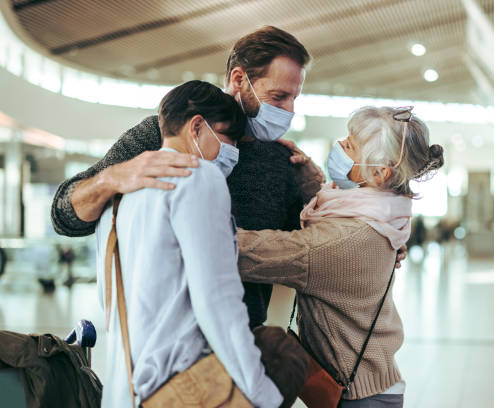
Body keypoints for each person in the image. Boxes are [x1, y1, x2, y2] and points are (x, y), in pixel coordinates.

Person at [51, 26, 323, 329]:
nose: (289, 110)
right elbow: (64, 216)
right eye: (279, 96)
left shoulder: (281, 162)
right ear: (238, 79)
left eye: (294, 99)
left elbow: (307, 254)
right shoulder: (163, 134)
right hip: (159, 339)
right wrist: (110, 179)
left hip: (242, 337)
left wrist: (316, 188)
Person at [237, 106, 445, 407]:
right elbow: (336, 207)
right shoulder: (386, 210)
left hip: (357, 395)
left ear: (379, 172)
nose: (340, 146)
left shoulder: (348, 239)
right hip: (372, 383)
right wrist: (306, 171)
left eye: (350, 145)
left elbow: (255, 253)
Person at [95, 81, 283, 407]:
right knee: (283, 350)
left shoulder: (122, 193)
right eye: (229, 140)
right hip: (183, 384)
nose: (233, 154)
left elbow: (108, 297)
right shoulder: (197, 176)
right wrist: (261, 394)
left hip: (129, 388)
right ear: (197, 126)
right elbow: (218, 300)